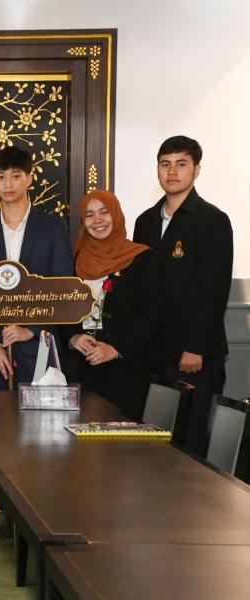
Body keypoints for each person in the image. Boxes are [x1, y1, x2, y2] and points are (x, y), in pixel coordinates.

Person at [0, 145, 73, 538]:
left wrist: (33, 329)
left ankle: (39, 512)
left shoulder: (51, 228)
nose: (8, 184)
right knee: (0, 434)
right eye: (0, 177)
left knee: (41, 435)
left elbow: (62, 291)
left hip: (39, 348)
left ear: (30, 178)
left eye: (15, 176)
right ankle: (5, 512)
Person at [133, 135, 233, 455]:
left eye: (181, 164)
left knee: (191, 444)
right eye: (165, 164)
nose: (172, 171)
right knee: (155, 446)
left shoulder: (212, 220)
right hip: (153, 352)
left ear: (196, 169)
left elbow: (214, 291)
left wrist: (195, 347)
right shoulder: (145, 222)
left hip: (193, 356)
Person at [65, 190, 164, 421]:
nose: (97, 220)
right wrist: (74, 338)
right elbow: (62, 309)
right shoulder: (76, 260)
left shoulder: (142, 258)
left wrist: (115, 349)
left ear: (116, 215)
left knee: (120, 440)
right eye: (90, 215)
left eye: (104, 212)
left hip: (126, 374)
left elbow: (152, 314)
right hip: (83, 372)